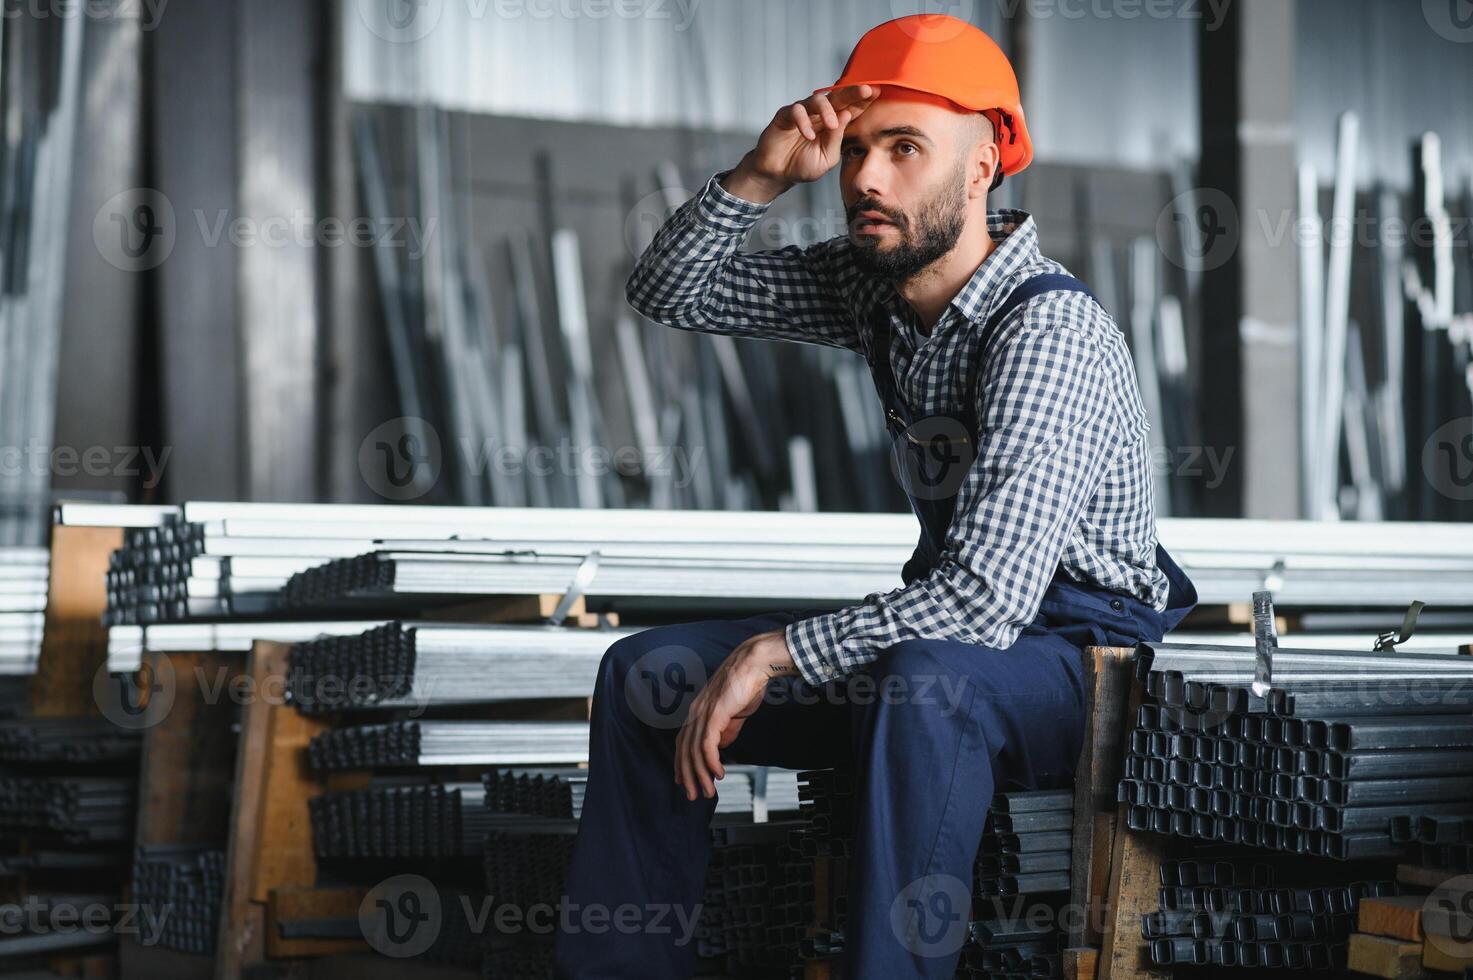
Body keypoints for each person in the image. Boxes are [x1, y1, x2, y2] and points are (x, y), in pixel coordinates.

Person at [555, 13, 1197, 979]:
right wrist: (760, 176)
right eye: (856, 149)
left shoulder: (1044, 334)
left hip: (1076, 658)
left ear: (981, 168)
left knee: (919, 685)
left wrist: (775, 653)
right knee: (649, 676)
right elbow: (670, 293)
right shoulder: (872, 292)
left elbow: (984, 603)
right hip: (943, 638)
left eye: (904, 150)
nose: (864, 178)